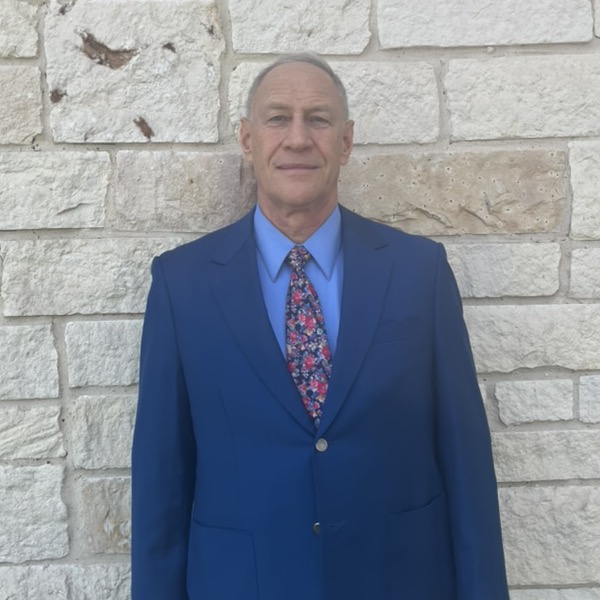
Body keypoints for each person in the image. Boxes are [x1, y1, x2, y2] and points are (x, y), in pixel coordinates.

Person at [131, 53, 509, 600]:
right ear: (247, 139)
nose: (298, 138)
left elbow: (466, 464)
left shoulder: (418, 272)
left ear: (346, 141)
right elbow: (160, 481)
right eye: (277, 118)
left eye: (319, 119)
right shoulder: (182, 285)